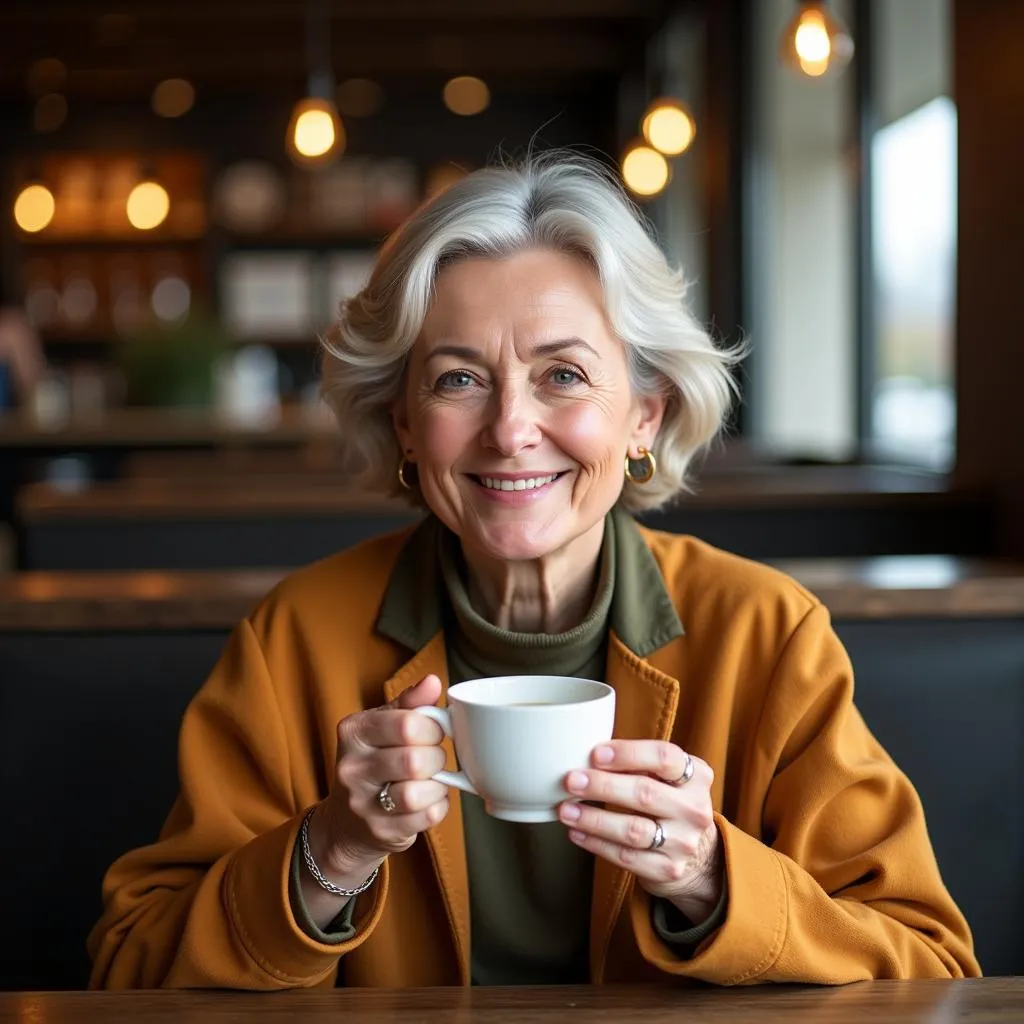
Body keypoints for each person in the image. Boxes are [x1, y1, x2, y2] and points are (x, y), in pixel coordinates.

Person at [88, 154, 979, 989]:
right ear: (403, 423)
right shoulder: (296, 639)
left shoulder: (767, 634)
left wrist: (711, 880)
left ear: (644, 415)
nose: (511, 429)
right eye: (457, 381)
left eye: (562, 375)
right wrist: (332, 850)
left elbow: (932, 968)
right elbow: (128, 968)